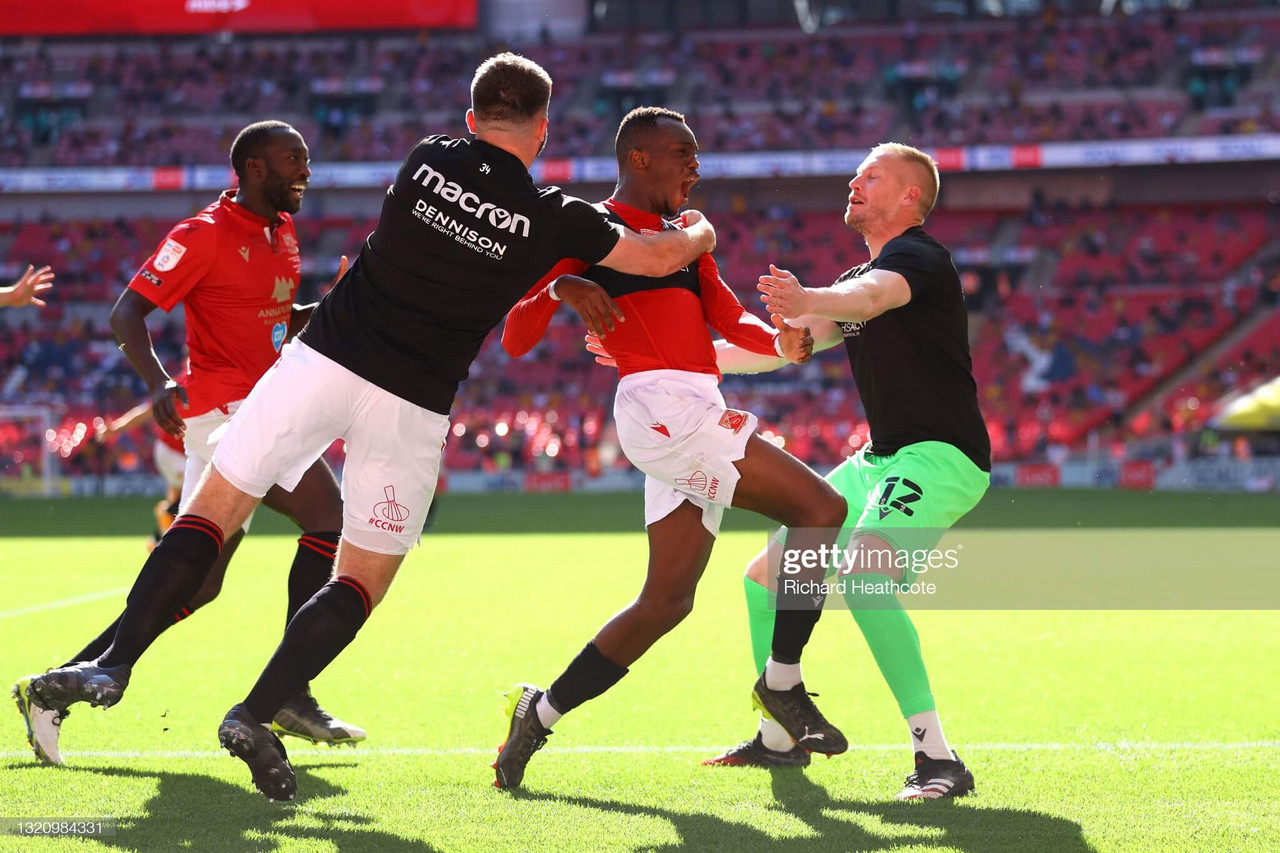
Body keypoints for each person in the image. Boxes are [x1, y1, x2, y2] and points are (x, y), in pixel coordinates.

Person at [24, 54, 716, 802]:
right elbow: (660, 255)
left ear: (469, 117)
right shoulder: (557, 217)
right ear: (544, 130)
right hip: (413, 401)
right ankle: (255, 712)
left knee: (214, 510)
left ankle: (117, 661)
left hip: (322, 359)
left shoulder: (426, 161)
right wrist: (701, 232)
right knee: (360, 575)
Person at [493, 107, 848, 790]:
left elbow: (728, 318)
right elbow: (514, 336)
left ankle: (538, 713)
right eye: (682, 151)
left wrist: (781, 342)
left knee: (665, 602)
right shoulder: (588, 228)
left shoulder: (686, 238)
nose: (696, 163)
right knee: (820, 509)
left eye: (698, 152)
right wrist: (562, 284)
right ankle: (783, 684)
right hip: (660, 409)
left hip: (693, 408)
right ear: (640, 158)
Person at [14, 121, 365, 768]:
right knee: (327, 514)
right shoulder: (201, 234)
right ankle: (289, 690)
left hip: (261, 405)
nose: (306, 172)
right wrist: (158, 383)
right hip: (222, 411)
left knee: (199, 586)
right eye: (295, 160)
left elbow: (276, 320)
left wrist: (330, 305)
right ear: (255, 168)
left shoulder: (281, 232)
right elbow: (127, 311)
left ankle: (55, 685)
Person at [695, 142, 992, 800]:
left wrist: (812, 294)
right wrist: (667, 361)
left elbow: (870, 296)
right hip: (879, 458)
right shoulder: (860, 275)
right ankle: (781, 737)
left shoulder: (918, 258)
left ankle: (937, 759)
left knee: (864, 575)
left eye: (871, 176)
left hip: (941, 456)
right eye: (856, 174)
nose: (853, 182)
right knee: (763, 580)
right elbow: (784, 347)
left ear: (910, 197)